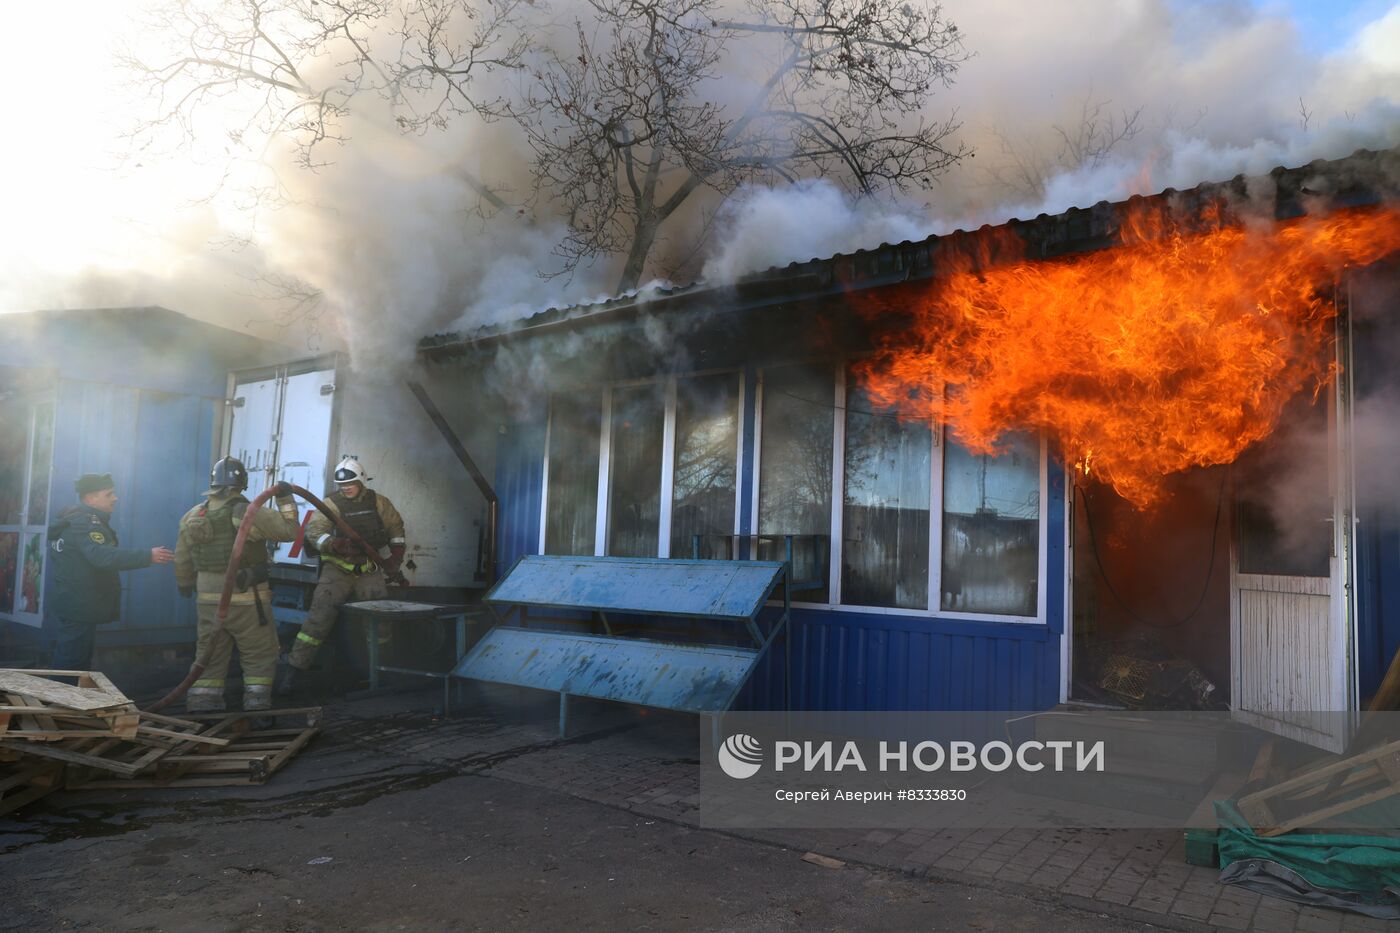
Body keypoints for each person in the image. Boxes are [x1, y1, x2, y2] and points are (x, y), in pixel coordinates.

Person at [174, 457, 299, 713]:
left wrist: (185, 583)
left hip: (207, 600)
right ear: (242, 482)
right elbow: (290, 532)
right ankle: (257, 705)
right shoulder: (247, 511)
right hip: (245, 598)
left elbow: (182, 557)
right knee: (259, 651)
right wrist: (286, 500)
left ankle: (203, 703)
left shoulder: (193, 515)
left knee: (210, 652)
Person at [277, 457, 405, 696]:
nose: (345, 488)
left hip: (369, 570)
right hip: (337, 571)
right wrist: (334, 544)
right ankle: (292, 674)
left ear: (361, 480)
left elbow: (395, 528)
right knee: (316, 622)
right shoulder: (330, 505)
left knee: (381, 623)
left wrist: (395, 557)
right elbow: (315, 531)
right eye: (341, 485)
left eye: (350, 483)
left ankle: (383, 673)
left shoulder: (379, 503)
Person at [47, 474, 175, 670]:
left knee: (75, 663)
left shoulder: (72, 519)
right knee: (70, 666)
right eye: (109, 494)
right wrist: (147, 556)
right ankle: (58, 700)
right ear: (90, 498)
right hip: (79, 605)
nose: (115, 498)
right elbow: (102, 556)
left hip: (74, 602)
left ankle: (67, 699)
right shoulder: (85, 522)